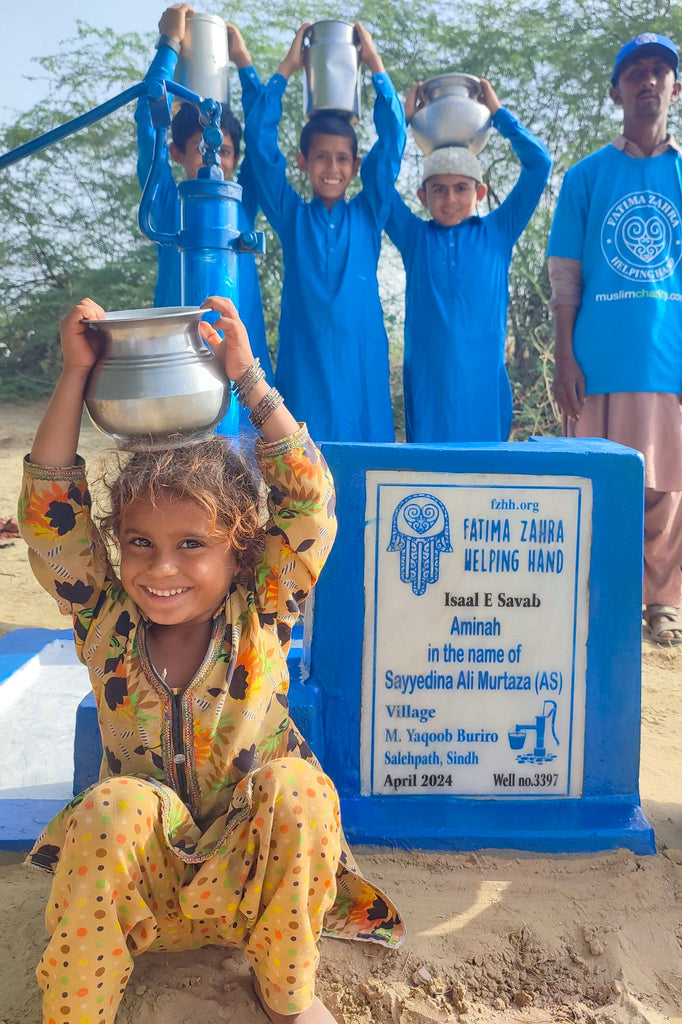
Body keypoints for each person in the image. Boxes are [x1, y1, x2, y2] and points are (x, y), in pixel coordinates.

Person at [19, 296, 403, 1024]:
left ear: (241, 551)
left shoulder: (262, 608)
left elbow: (310, 502)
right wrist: (76, 373)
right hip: (145, 895)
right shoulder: (104, 618)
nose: (161, 568)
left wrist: (248, 378)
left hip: (254, 894)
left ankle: (287, 995)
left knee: (298, 789)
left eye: (192, 545)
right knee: (116, 805)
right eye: (140, 543)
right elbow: (50, 519)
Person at [546, 32, 682, 646]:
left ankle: (659, 605)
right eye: (635, 73)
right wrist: (564, 355)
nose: (648, 82)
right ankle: (596, 599)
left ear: (676, 87)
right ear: (616, 90)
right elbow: (565, 278)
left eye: (659, 72)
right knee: (597, 489)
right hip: (596, 362)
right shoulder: (587, 178)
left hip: (670, 364)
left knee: (667, 490)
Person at [245, 22, 404, 444]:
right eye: (320, 158)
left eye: (341, 159)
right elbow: (260, 150)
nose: (331, 169)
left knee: (367, 472)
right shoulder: (292, 217)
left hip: (362, 362)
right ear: (302, 161)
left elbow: (393, 144)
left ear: (355, 165)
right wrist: (288, 67)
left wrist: (374, 66)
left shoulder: (370, 215)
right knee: (302, 473)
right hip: (306, 363)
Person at [385, 79, 551, 442]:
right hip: (429, 387)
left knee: (485, 480)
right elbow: (376, 180)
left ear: (479, 192)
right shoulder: (415, 238)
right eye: (438, 189)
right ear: (422, 196)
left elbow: (540, 163)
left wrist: (498, 114)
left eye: (461, 188)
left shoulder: (498, 232)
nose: (450, 199)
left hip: (484, 388)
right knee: (430, 482)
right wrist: (404, 121)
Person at [136, 5, 273, 395]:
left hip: (244, 356)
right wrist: (170, 44)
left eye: (226, 151)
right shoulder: (165, 202)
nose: (216, 158)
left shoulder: (242, 201)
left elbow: (262, 139)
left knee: (249, 451)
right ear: (176, 152)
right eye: (202, 147)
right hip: (179, 356)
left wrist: (244, 63)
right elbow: (148, 123)